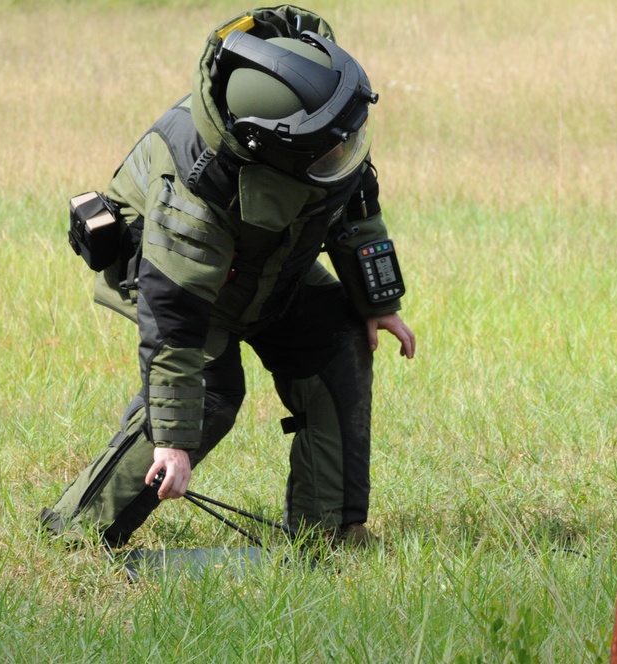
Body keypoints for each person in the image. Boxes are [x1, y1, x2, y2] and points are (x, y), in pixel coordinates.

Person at [39, 5, 415, 549]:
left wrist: (377, 299)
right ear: (271, 154)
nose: (346, 152)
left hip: (262, 264)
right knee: (210, 394)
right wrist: (171, 440)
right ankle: (74, 535)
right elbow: (173, 323)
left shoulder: (324, 125)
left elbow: (351, 200)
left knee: (336, 337)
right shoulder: (194, 195)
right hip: (179, 283)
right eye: (332, 149)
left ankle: (328, 532)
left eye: (348, 140)